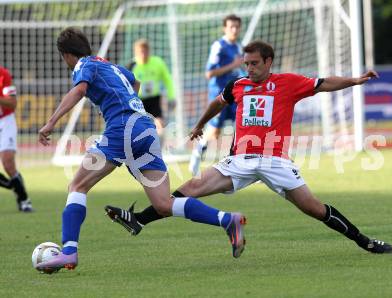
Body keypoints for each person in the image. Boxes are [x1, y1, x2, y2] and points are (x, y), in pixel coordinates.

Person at [106, 41, 392, 254]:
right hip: (241, 159)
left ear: (268, 62)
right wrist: (200, 125)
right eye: (247, 63)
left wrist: (356, 81)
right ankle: (140, 220)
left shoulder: (288, 83)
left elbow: (322, 83)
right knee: (189, 188)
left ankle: (366, 242)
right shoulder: (238, 85)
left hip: (275, 160)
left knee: (315, 209)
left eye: (254, 63)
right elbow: (218, 102)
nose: (249, 68)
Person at [35, 27, 247, 272]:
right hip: (145, 126)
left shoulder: (84, 65)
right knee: (163, 204)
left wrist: (51, 122)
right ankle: (227, 220)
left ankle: (69, 252)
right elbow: (135, 81)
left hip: (122, 127)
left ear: (66, 55)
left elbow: (80, 90)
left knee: (77, 186)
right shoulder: (111, 66)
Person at [189, 14, 244, 176]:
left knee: (243, 127)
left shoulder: (239, 47)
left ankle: (249, 166)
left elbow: (239, 70)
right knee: (214, 133)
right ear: (225, 28)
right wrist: (232, 65)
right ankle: (196, 156)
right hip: (220, 95)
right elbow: (209, 73)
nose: (234, 29)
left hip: (236, 95)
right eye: (231, 26)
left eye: (237, 26)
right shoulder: (218, 46)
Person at [0, 65, 33, 212]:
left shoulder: (3, 74)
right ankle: (11, 184)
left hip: (5, 121)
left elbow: (12, 104)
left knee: (8, 162)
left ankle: (24, 199)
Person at [127, 39, 175, 138]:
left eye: (145, 51)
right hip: (139, 101)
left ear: (149, 51)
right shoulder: (131, 66)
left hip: (154, 99)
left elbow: (168, 80)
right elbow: (125, 85)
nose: (143, 54)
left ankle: (159, 149)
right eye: (141, 52)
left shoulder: (158, 62)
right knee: (139, 129)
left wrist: (171, 97)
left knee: (160, 125)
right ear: (136, 53)